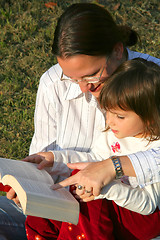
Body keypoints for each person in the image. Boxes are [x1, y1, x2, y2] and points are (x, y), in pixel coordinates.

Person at [6, 2, 160, 240]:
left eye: (91, 75)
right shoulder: (53, 84)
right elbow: (79, 161)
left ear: (117, 51)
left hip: (128, 216)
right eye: (71, 78)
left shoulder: (152, 83)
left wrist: (112, 168)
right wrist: (34, 180)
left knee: (92, 202)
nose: (83, 88)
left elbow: (143, 198)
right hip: (71, 205)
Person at [25, 58, 160, 240]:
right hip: (113, 207)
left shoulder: (154, 148)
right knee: (53, 197)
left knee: (88, 194)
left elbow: (148, 204)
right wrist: (54, 160)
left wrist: (105, 187)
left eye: (120, 116)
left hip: (142, 219)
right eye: (108, 111)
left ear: (150, 117)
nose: (110, 121)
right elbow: (94, 159)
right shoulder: (113, 133)